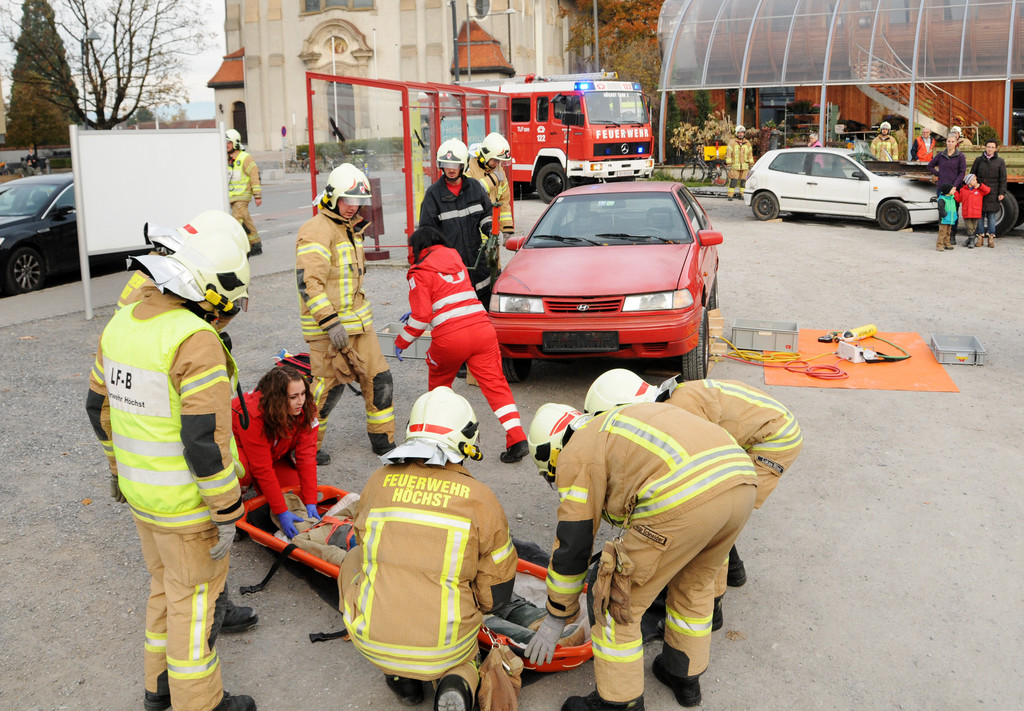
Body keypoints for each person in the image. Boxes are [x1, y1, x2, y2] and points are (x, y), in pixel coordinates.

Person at [86, 223, 256, 711]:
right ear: (210, 292)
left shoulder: (121, 323)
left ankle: (158, 689)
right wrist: (228, 510)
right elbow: (203, 442)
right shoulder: (194, 340)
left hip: (143, 500)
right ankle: (200, 703)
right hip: (187, 508)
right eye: (228, 305)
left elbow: (97, 409)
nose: (227, 315)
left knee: (164, 590)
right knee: (195, 605)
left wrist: (117, 471)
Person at [525, 402, 757, 710]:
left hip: (686, 497)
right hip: (740, 482)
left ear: (551, 452)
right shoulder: (614, 423)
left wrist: (558, 614)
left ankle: (619, 702)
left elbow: (574, 541)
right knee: (694, 585)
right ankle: (683, 675)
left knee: (616, 600)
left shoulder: (575, 452)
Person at [340, 387, 518, 711]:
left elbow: (364, 546)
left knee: (353, 557)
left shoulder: (378, 481)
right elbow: (496, 593)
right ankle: (459, 678)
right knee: (464, 647)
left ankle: (399, 677)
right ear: (466, 442)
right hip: (446, 647)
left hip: (371, 642)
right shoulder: (480, 499)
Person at [584, 370, 803, 630]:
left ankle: (714, 605)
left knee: (715, 510)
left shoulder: (678, 410)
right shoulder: (672, 401)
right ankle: (735, 572)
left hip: (774, 440)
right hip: (770, 429)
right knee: (719, 510)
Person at [393, 226, 529, 463]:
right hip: (482, 330)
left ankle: (435, 441)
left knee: (439, 388)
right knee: (496, 386)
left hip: (450, 338)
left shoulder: (419, 271)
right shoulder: (454, 257)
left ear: (417, 248)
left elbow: (421, 319)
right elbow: (451, 294)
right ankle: (517, 438)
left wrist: (401, 341)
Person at [296, 163, 395, 461]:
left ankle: (383, 441)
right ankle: (305, 449)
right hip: (329, 330)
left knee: (379, 380)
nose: (353, 206)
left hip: (359, 325)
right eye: (347, 199)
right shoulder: (316, 230)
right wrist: (331, 323)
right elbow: (309, 284)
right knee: (324, 392)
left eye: (358, 201)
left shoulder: (349, 228)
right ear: (331, 197)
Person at [232, 365, 321, 538]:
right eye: (293, 397)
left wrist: (311, 500)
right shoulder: (252, 415)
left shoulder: (306, 408)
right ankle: (234, 508)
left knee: (293, 492)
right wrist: (281, 511)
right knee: (242, 471)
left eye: (303, 393)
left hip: (274, 453)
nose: (301, 401)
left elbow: (307, 456)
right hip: (240, 451)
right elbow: (262, 467)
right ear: (277, 399)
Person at [418, 138, 495, 306]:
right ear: (440, 165)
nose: (451, 170)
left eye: (455, 165)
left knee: (484, 306)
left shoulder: (475, 188)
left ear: (463, 165)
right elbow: (427, 232)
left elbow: (486, 215)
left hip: (478, 264)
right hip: (450, 269)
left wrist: (492, 231)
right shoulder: (433, 195)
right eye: (446, 165)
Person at [466, 132, 515, 238]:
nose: (498, 164)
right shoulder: (469, 168)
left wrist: (507, 228)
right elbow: (470, 194)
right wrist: (491, 180)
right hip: (474, 234)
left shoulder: (498, 170)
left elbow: (504, 201)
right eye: (496, 160)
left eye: (500, 161)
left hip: (493, 232)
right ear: (486, 156)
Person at [226, 128, 263, 257]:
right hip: (232, 197)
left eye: (229, 142)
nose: (226, 145)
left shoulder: (245, 158)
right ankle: (256, 244)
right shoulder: (226, 159)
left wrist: (257, 196)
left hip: (242, 198)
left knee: (236, 222)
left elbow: (254, 177)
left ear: (235, 143)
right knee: (247, 221)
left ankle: (233, 248)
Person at [927, 132, 967, 244]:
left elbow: (962, 173)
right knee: (942, 212)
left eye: (952, 141)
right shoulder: (941, 155)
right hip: (942, 188)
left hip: (954, 189)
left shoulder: (960, 156)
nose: (950, 143)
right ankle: (942, 236)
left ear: (956, 143)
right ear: (946, 142)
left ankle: (951, 235)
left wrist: (955, 186)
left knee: (953, 212)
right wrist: (939, 174)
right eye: (948, 141)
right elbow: (930, 166)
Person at [970, 138, 1007, 249]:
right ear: (985, 147)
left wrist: (1001, 192)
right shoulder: (978, 160)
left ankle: (991, 237)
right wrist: (973, 187)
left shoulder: (1000, 161)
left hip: (993, 191)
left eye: (992, 147)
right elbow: (972, 175)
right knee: (980, 215)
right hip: (979, 191)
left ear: (996, 149)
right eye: (988, 147)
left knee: (991, 215)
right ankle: (980, 237)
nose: (990, 149)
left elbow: (1003, 178)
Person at [956, 173, 991, 249]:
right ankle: (971, 241)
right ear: (968, 182)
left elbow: (988, 190)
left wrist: (980, 186)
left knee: (974, 227)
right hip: (967, 212)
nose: (976, 181)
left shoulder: (979, 190)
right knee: (969, 227)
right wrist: (954, 192)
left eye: (976, 179)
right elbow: (959, 199)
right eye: (974, 180)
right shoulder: (963, 190)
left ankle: (969, 240)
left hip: (976, 212)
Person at [725, 125, 753, 201]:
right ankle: (730, 195)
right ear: (736, 133)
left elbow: (750, 154)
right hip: (735, 166)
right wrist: (729, 163)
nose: (740, 134)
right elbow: (728, 153)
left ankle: (742, 194)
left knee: (744, 181)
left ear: (744, 133)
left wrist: (751, 163)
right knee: (733, 181)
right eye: (739, 133)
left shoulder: (747, 143)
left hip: (745, 166)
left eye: (742, 133)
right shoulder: (732, 142)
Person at [936, 183, 958, 251]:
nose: (954, 190)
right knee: (942, 232)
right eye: (952, 189)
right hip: (944, 220)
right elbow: (941, 209)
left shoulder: (952, 199)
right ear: (948, 191)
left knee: (948, 232)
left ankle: (947, 243)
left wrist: (955, 216)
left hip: (950, 219)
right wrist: (945, 215)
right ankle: (939, 245)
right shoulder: (942, 199)